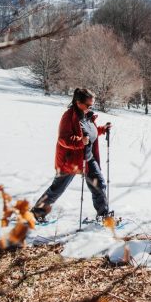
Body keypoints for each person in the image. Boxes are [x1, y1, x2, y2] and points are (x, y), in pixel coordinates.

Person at [31, 88, 113, 223]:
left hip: (88, 158)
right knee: (57, 189)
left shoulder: (87, 116)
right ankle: (36, 213)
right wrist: (80, 142)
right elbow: (63, 139)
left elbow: (90, 134)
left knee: (99, 184)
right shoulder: (69, 116)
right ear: (77, 102)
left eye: (92, 105)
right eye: (88, 105)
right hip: (70, 160)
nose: (90, 107)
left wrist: (102, 129)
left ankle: (103, 215)